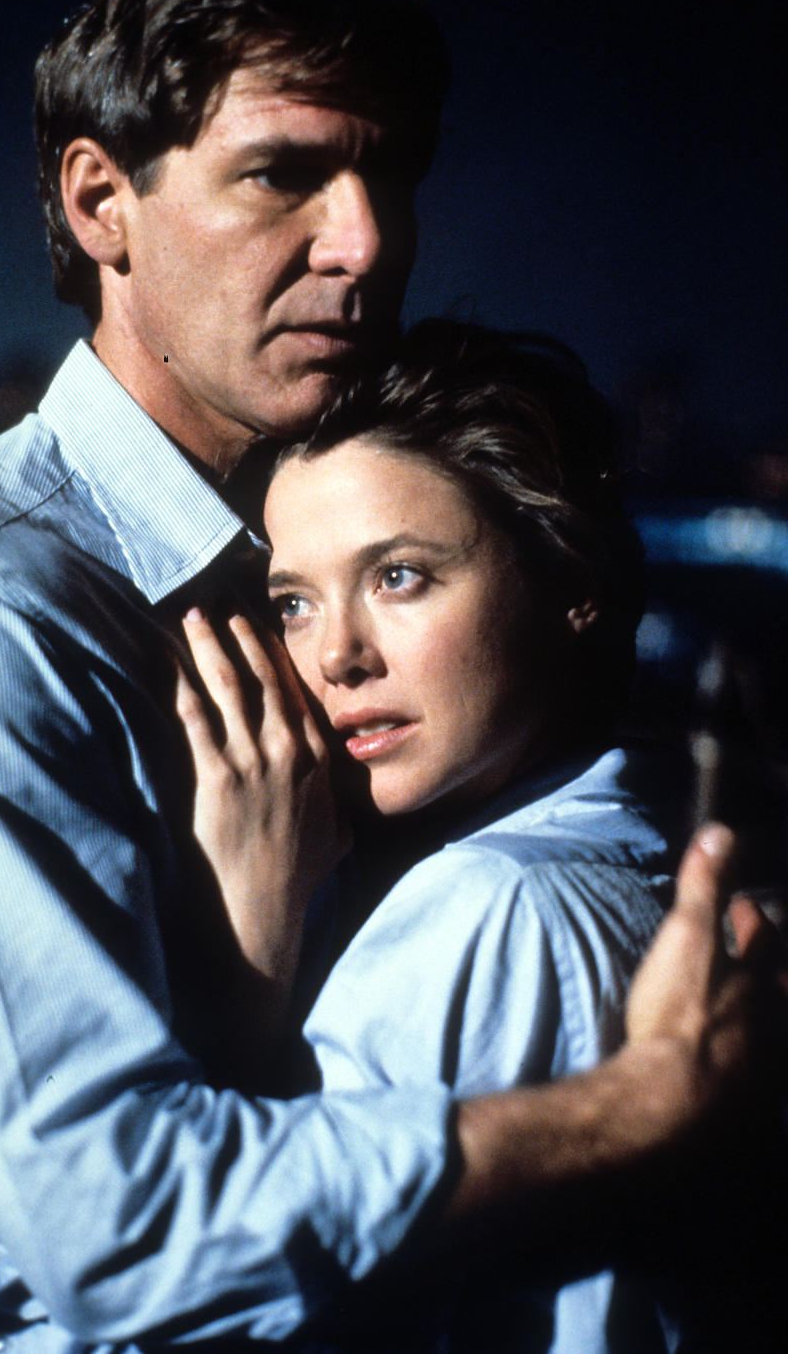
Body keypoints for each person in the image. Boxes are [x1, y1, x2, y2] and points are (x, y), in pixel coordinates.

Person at [0, 0, 781, 1354]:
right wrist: (633, 1108)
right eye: (284, 173)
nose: (367, 243)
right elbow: (122, 1235)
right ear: (104, 202)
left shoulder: (297, 534)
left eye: (390, 173)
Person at [170, 320, 733, 1349]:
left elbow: (229, 1305)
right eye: (294, 601)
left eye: (400, 577)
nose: (336, 655)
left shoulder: (492, 906)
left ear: (572, 582)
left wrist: (247, 957)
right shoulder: (639, 838)